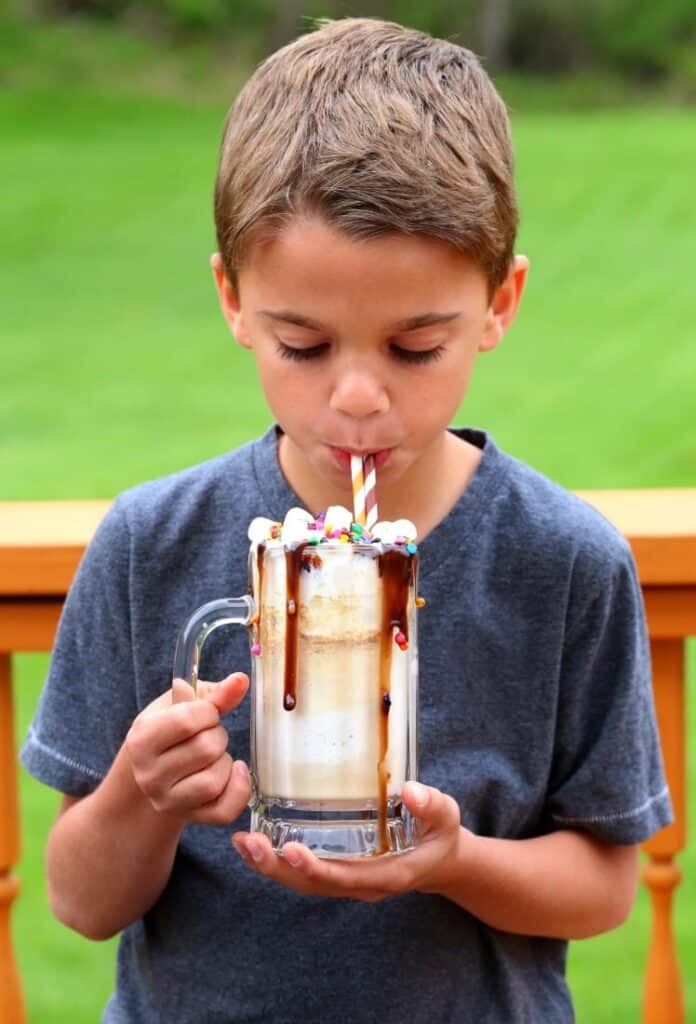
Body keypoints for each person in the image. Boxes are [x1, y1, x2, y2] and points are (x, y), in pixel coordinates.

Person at [21, 17, 671, 1023]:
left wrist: (450, 861)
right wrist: (141, 797)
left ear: (500, 303)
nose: (358, 396)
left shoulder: (564, 562)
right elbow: (78, 898)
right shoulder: (151, 543)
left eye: (414, 348)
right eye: (304, 344)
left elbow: (604, 886)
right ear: (233, 299)